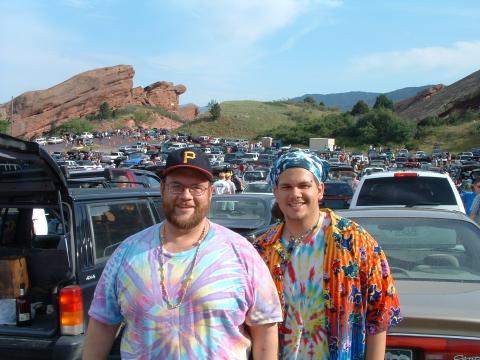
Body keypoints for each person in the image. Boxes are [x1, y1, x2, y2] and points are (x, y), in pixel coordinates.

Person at [83, 148, 283, 360]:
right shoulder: (128, 253)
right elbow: (103, 324)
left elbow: (265, 329)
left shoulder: (240, 252)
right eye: (176, 186)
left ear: (210, 193)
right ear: (162, 189)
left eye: (196, 188)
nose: (186, 196)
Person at [254, 150, 402, 359]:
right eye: (286, 186)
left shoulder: (355, 241)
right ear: (276, 193)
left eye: (304, 185)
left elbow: (380, 315)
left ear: (320, 190)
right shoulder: (262, 249)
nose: (295, 194)